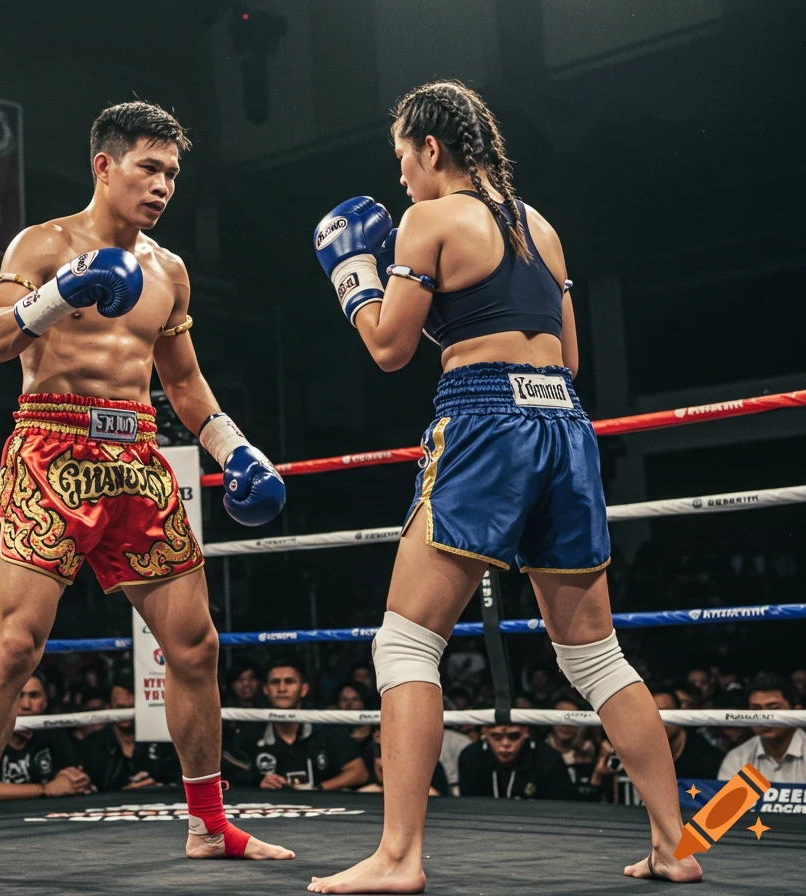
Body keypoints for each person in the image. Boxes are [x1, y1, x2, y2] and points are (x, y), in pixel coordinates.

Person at [307, 80, 700, 892]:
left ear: (431, 148)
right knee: (595, 655)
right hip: (564, 423)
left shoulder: (429, 219)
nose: (401, 178)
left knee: (405, 642)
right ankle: (675, 846)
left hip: (486, 422)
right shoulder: (541, 228)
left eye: (402, 158)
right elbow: (570, 358)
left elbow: (387, 348)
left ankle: (398, 857)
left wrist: (353, 275)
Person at [0, 100, 292, 888]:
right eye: (149, 168)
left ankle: (209, 826)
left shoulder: (170, 271)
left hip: (138, 456)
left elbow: (184, 385)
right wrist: (61, 292)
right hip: (51, 450)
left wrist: (235, 449)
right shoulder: (43, 244)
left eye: (172, 174)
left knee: (196, 646)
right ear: (105, 165)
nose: (162, 186)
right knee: (16, 646)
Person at [221, 658, 369, 792]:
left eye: (289, 682)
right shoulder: (253, 729)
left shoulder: (324, 726)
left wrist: (318, 789)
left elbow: (359, 772)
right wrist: (258, 780)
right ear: (266, 690)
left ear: (303, 689)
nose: (282, 689)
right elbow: (229, 771)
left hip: (322, 807)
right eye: (275, 682)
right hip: (271, 807)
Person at [0, 673, 91, 800]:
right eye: (17, 695)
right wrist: (45, 789)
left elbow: (73, 776)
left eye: (34, 696)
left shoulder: (53, 733)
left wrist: (76, 781)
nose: (26, 705)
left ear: (44, 702)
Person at [78, 677, 181, 791]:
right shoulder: (91, 746)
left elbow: (179, 783)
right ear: (109, 708)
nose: (126, 714)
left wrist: (158, 788)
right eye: (120, 708)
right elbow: (86, 789)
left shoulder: (164, 742)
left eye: (131, 708)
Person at [458, 712, 577, 801]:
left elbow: (560, 807)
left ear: (525, 732)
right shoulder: (471, 756)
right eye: (496, 737)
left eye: (513, 736)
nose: (505, 744)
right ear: (485, 732)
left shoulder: (548, 758)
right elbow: (470, 806)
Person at [717, 674, 806, 784]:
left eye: (773, 708)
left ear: (797, 712)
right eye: (756, 709)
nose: (764, 718)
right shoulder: (739, 758)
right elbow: (733, 797)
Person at [651, 686, 723, 780]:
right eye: (652, 714)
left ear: (680, 714)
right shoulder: (638, 752)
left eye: (666, 713)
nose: (659, 720)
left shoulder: (706, 757)